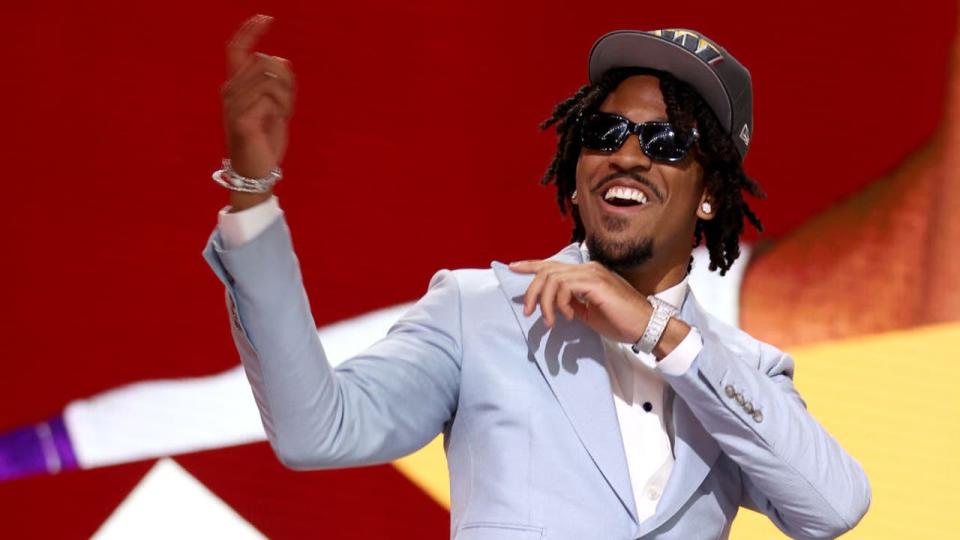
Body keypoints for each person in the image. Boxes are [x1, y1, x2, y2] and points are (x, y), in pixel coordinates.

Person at [199, 14, 870, 540]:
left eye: (666, 143)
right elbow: (315, 430)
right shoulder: (479, 311)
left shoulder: (737, 370)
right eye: (605, 135)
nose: (628, 156)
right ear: (577, 176)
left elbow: (833, 506)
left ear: (710, 196)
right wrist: (252, 194)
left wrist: (663, 335)